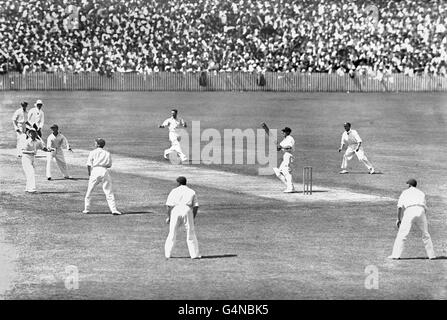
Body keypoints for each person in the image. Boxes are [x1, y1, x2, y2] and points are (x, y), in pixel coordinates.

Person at [388, 179, 436, 260]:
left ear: (409, 185)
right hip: (421, 211)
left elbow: (399, 207)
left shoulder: (405, 192)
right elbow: (424, 207)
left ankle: (395, 255)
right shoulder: (421, 193)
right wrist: (423, 219)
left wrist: (398, 219)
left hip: (410, 210)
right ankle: (432, 255)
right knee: (426, 234)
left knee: (402, 234)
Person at [164, 176, 201, 259]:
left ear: (178, 183)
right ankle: (194, 255)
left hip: (176, 209)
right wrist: (193, 218)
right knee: (191, 232)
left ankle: (168, 254)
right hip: (187, 210)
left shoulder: (174, 191)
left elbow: (168, 206)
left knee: (172, 232)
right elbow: (195, 206)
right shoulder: (191, 191)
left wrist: (169, 217)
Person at [83, 138, 121, 215]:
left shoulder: (92, 152)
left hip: (95, 170)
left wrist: (89, 173)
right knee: (108, 191)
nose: (94, 144)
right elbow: (109, 165)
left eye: (95, 143)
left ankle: (86, 209)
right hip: (104, 170)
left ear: (98, 144)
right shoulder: (107, 153)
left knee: (89, 190)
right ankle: (113, 210)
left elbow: (88, 164)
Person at [20, 128, 53, 193]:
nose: (32, 134)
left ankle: (27, 188)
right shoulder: (26, 141)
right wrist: (31, 152)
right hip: (26, 158)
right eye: (31, 133)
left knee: (30, 173)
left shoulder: (38, 141)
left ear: (36, 134)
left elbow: (43, 148)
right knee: (31, 172)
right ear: (29, 134)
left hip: (32, 159)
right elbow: (23, 151)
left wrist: (49, 150)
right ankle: (32, 189)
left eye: (34, 132)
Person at [272, 127, 295, 193]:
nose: (282, 133)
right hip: (285, 156)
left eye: (284, 132)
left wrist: (281, 147)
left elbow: (289, 147)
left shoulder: (290, 138)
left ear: (288, 132)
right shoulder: (284, 140)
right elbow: (278, 149)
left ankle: (290, 188)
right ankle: (289, 186)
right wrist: (276, 145)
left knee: (287, 172)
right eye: (283, 132)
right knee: (278, 173)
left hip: (289, 155)